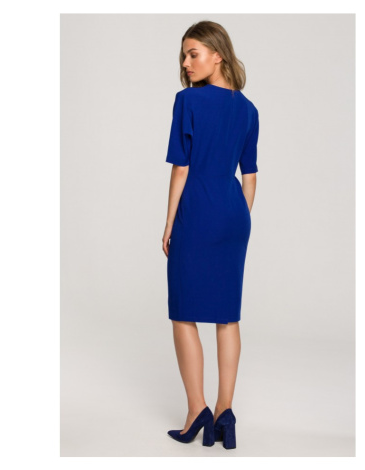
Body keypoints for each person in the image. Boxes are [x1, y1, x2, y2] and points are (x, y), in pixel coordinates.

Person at [162, 21, 259, 450]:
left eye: (193, 53)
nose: (186, 63)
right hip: (234, 213)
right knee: (227, 314)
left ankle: (196, 410)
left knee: (184, 311)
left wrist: (169, 223)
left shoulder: (188, 101)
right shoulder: (249, 109)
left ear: (217, 55)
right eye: (184, 56)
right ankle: (225, 412)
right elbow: (250, 176)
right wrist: (236, 217)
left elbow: (181, 167)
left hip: (198, 208)